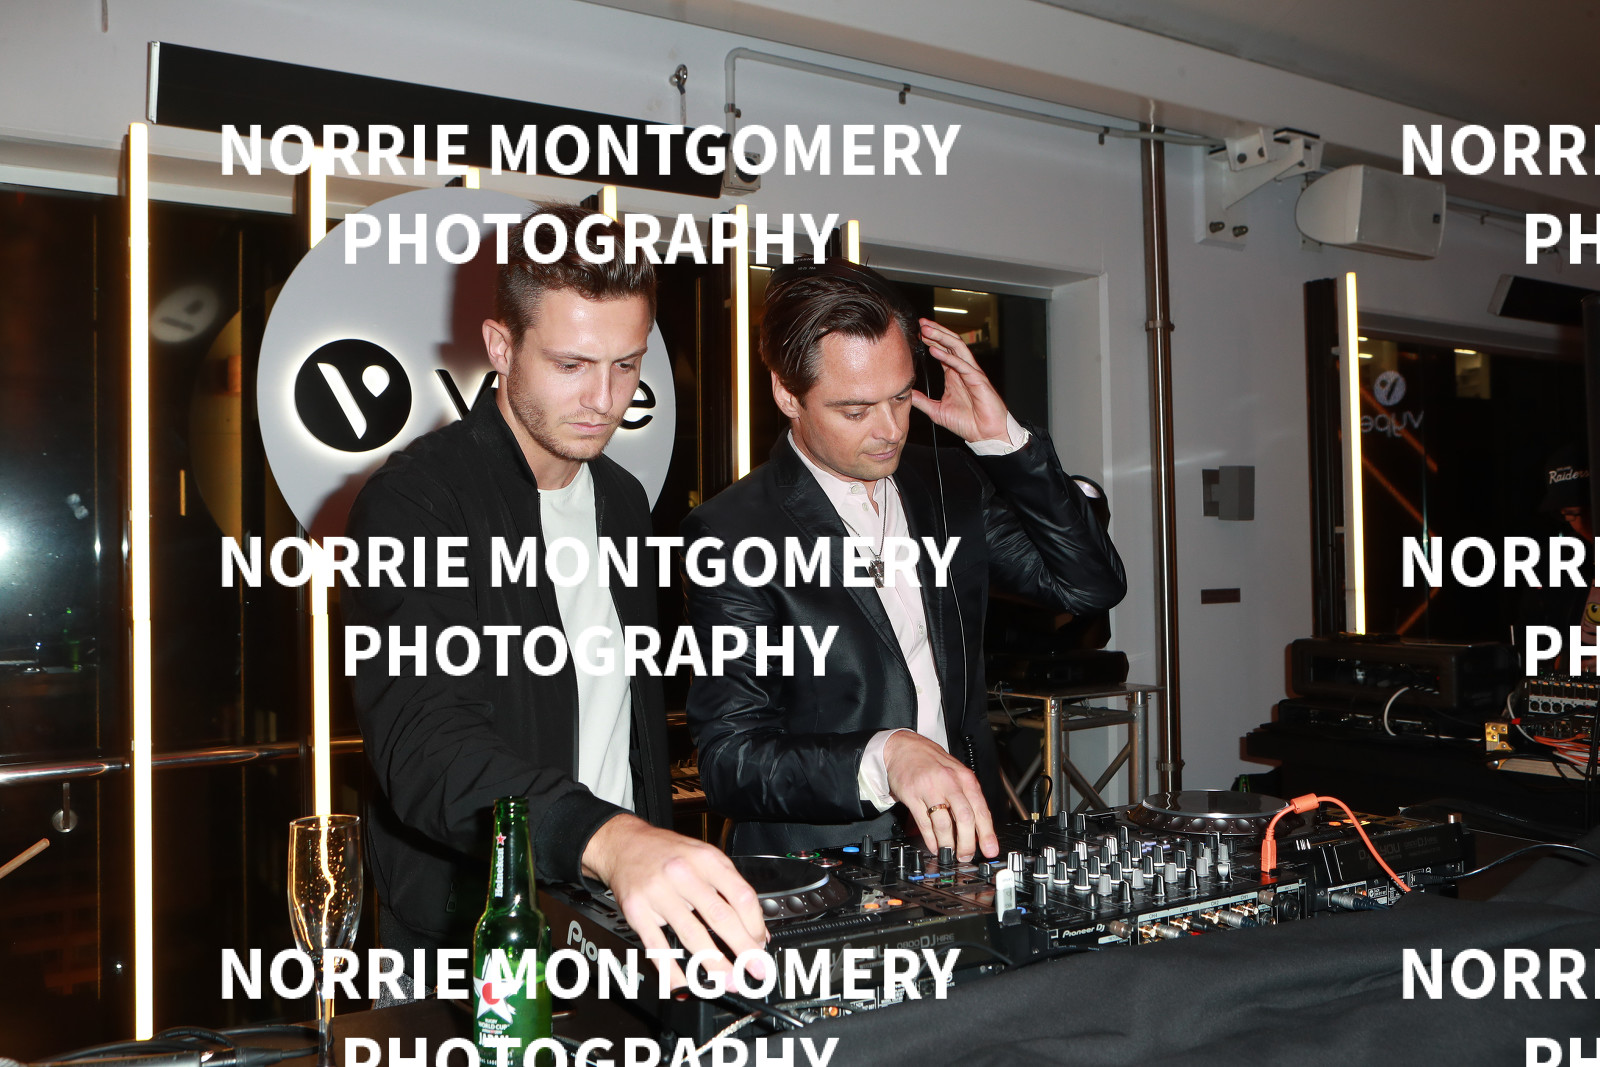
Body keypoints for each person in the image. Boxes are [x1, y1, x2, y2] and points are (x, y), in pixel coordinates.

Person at [343, 203, 763, 997]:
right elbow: (425, 742)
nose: (604, 399)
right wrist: (608, 836)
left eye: (627, 365)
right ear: (501, 347)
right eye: (572, 364)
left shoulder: (624, 500)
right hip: (468, 936)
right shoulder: (416, 502)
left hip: (608, 916)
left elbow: (629, 724)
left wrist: (640, 849)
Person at [682, 259, 1126, 863]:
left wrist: (1003, 442)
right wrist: (884, 757)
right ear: (788, 394)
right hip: (819, 868)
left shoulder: (947, 482)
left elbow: (1088, 586)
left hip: (964, 846)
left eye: (899, 397)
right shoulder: (731, 531)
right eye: (855, 411)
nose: (889, 430)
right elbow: (730, 761)